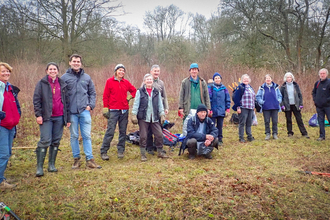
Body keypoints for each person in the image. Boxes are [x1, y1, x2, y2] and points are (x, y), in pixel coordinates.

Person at [61, 54, 101, 169]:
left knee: (87, 136)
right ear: (70, 62)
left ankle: (90, 160)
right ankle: (76, 159)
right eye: (74, 61)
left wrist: (90, 105)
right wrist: (65, 111)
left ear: (81, 63)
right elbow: (61, 96)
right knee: (74, 136)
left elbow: (92, 93)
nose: (76, 63)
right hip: (71, 113)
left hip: (84, 111)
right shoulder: (64, 78)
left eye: (78, 61)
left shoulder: (87, 77)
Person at [33, 62, 71, 177]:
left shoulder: (62, 84)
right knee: (45, 140)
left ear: (58, 71)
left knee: (56, 141)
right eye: (50, 69)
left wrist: (67, 118)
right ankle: (39, 167)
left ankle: (51, 165)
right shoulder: (42, 83)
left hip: (59, 117)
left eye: (55, 69)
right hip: (46, 117)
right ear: (47, 71)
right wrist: (38, 115)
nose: (53, 71)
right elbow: (36, 100)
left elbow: (67, 102)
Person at [100, 64, 137, 160]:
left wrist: (129, 97)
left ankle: (121, 150)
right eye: (120, 70)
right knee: (110, 131)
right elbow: (105, 95)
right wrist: (105, 107)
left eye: (123, 71)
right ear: (116, 71)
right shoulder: (109, 81)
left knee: (123, 131)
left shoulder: (126, 82)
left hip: (124, 110)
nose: (121, 72)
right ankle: (104, 151)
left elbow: (134, 91)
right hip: (113, 110)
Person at [131, 74, 168, 161]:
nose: (149, 81)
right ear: (144, 81)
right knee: (143, 136)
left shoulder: (156, 92)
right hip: (143, 117)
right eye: (147, 79)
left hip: (154, 117)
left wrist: (162, 114)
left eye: (150, 80)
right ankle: (143, 154)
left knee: (159, 134)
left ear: (152, 81)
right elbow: (136, 104)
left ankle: (160, 151)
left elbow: (160, 104)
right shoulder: (140, 91)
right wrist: (133, 115)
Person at [0, 62, 21, 189]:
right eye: (3, 71)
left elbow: (15, 105)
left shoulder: (10, 88)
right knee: (3, 154)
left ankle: (1, 178)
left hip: (11, 126)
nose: (6, 73)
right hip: (2, 126)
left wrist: (18, 115)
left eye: (8, 71)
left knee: (7, 153)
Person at [145, 65, 169, 155]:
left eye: (158, 71)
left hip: (159, 110)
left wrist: (166, 108)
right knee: (149, 130)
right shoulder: (146, 81)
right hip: (148, 110)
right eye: (155, 71)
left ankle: (157, 145)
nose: (156, 73)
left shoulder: (161, 83)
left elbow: (165, 96)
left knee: (158, 128)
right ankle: (149, 147)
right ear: (151, 71)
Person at [280, 72, 309, 138]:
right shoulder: (283, 87)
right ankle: (290, 133)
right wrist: (282, 105)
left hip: (296, 105)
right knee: (288, 119)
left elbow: (300, 95)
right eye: (287, 77)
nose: (289, 78)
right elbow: (280, 97)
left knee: (299, 119)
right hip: (287, 105)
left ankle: (304, 133)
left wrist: (301, 104)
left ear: (292, 78)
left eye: (290, 77)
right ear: (285, 78)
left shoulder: (296, 85)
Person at [256, 74, 282, 140]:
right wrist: (262, 102)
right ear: (265, 80)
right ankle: (267, 134)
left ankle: (275, 134)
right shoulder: (262, 88)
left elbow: (280, 96)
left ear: (271, 79)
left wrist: (278, 101)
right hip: (266, 107)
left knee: (275, 121)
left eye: (269, 78)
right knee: (267, 121)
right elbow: (258, 96)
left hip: (275, 107)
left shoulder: (276, 87)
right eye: (267, 78)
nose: (268, 79)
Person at [208, 72, 231, 146]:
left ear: (221, 79)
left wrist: (227, 109)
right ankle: (212, 139)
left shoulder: (224, 89)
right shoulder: (210, 88)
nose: (217, 79)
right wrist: (209, 109)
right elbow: (209, 99)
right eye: (216, 78)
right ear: (214, 79)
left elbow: (227, 99)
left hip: (221, 110)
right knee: (212, 126)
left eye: (218, 78)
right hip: (213, 111)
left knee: (220, 126)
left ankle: (220, 139)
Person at [232, 74, 255, 143]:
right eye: (244, 79)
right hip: (243, 108)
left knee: (249, 123)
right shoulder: (240, 87)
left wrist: (254, 107)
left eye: (247, 79)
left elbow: (253, 98)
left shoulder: (250, 87)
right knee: (242, 123)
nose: (246, 80)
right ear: (242, 80)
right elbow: (236, 98)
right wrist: (238, 107)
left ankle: (249, 136)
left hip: (250, 107)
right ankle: (241, 137)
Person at [312, 68, 330, 141]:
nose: (322, 75)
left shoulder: (329, 82)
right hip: (319, 106)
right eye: (321, 74)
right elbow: (314, 92)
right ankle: (322, 136)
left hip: (328, 106)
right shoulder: (317, 83)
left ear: (326, 74)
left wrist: (327, 101)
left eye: (323, 73)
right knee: (320, 121)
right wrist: (315, 100)